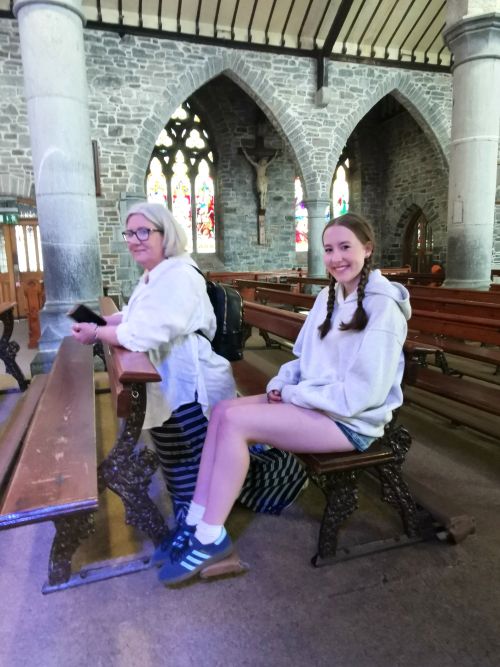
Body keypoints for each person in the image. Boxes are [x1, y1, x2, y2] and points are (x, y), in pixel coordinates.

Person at [158, 212, 411, 585]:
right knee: (223, 411)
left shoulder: (383, 307)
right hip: (317, 404)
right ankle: (196, 520)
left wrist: (294, 394)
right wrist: (281, 382)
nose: (336, 257)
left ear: (368, 249)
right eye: (328, 249)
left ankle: (211, 537)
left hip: (351, 421)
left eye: (345, 247)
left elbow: (362, 395)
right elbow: (304, 360)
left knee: (236, 424)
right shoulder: (328, 296)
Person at [71, 202, 306, 545]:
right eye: (129, 233)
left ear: (166, 234)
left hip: (190, 382)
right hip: (170, 374)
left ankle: (211, 513)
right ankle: (192, 510)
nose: (134, 240)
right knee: (180, 453)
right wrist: (103, 321)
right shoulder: (155, 273)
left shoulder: (179, 275)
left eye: (143, 232)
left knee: (193, 452)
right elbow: (136, 316)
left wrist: (96, 333)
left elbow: (147, 332)